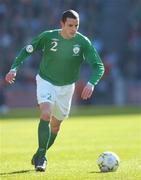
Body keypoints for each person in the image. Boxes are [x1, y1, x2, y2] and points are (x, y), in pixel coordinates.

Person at [5, 10, 105, 172]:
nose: (74, 29)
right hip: (46, 81)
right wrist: (14, 68)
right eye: (70, 25)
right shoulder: (48, 37)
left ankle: (39, 153)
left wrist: (91, 83)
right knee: (46, 113)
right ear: (62, 24)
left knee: (56, 126)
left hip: (67, 87)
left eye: (76, 25)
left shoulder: (83, 42)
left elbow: (98, 66)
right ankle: (42, 158)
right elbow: (27, 49)